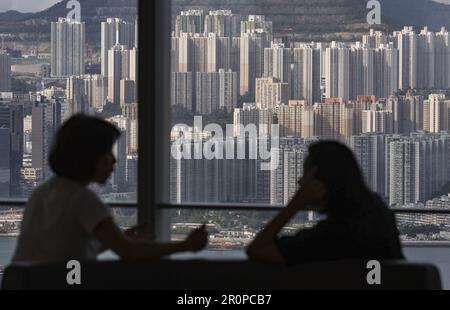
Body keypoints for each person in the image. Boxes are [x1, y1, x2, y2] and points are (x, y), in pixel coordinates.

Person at [13, 114, 208, 264]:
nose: (114, 161)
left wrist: (117, 239)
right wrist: (186, 246)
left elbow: (63, 253)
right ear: (89, 157)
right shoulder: (82, 199)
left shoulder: (43, 192)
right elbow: (129, 253)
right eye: (107, 153)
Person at [246, 141, 404, 266]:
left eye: (307, 175)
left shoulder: (330, 237)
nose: (301, 181)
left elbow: (257, 250)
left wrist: (296, 204)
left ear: (323, 181)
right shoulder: (378, 215)